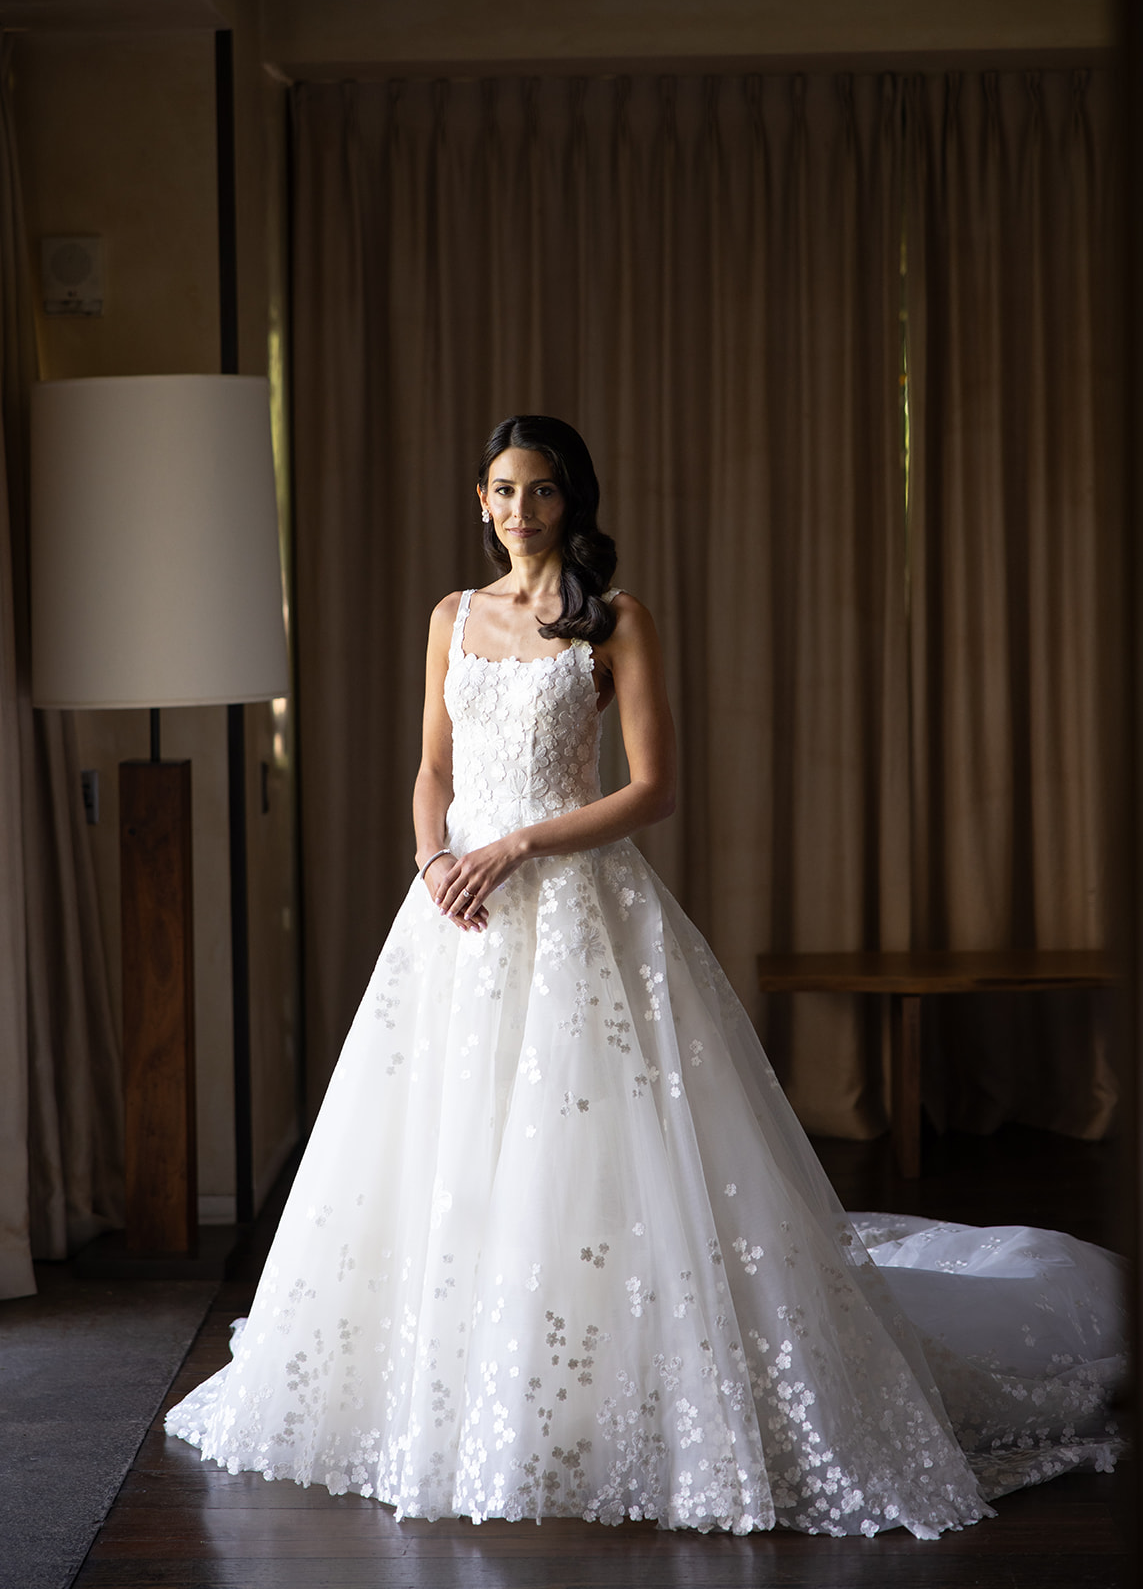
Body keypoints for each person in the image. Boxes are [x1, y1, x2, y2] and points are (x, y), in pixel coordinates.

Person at [166, 415, 1124, 1538]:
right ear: (479, 502)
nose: (520, 511)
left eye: (541, 492)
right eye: (502, 491)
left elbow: (655, 788)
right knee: (447, 1142)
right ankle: (459, 1375)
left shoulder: (616, 621)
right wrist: (437, 859)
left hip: (571, 901)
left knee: (584, 1148)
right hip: (453, 912)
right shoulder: (449, 617)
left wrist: (520, 844)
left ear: (573, 501)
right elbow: (430, 767)